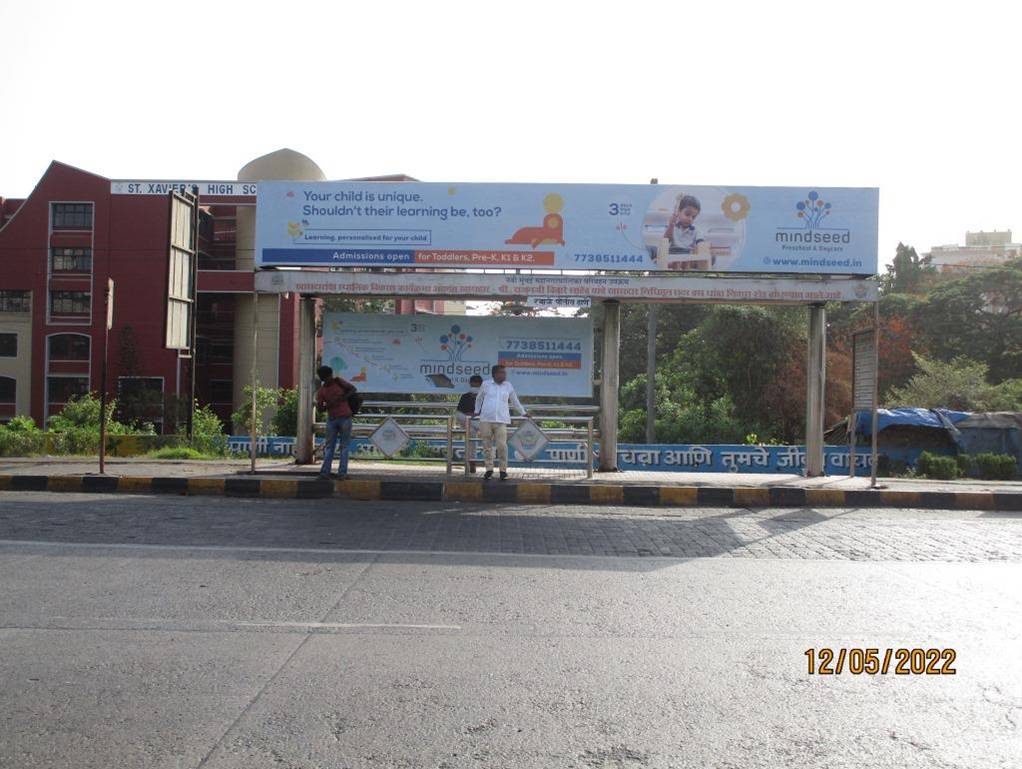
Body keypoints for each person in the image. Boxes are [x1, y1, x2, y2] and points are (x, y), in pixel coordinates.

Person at [473, 364, 527, 481]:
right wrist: (477, 411)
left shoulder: (508, 386)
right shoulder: (486, 384)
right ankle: (489, 469)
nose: (504, 375)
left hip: (501, 420)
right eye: (502, 373)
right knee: (487, 445)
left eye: (505, 373)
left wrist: (523, 413)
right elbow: (479, 398)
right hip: (486, 419)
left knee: (502, 445)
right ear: (495, 374)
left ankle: (503, 470)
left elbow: (515, 401)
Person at [316, 365, 356, 480]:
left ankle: (334, 473)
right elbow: (320, 408)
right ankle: (333, 473)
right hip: (339, 418)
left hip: (339, 418)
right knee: (335, 447)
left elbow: (353, 389)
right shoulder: (325, 389)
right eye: (328, 376)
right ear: (326, 377)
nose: (330, 378)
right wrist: (330, 404)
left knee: (338, 447)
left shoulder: (334, 385)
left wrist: (343, 398)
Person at [662, 193, 710, 270]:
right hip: (672, 254)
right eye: (687, 214)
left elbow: (701, 242)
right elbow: (666, 240)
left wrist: (703, 247)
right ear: (679, 212)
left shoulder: (696, 230)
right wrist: (671, 226)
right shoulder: (673, 226)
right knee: (666, 260)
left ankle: (683, 265)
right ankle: (675, 265)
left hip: (687, 256)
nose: (690, 219)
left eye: (693, 217)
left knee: (708, 257)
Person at [456, 374, 484, 473]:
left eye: (477, 386)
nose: (475, 388)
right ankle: (472, 461)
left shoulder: (485, 397)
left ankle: (472, 461)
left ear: (481, 386)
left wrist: (474, 414)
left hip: (480, 421)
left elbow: (484, 412)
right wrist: (471, 415)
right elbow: (460, 412)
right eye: (473, 386)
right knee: (471, 431)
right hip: (468, 422)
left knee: (472, 432)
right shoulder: (465, 396)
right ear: (470, 385)